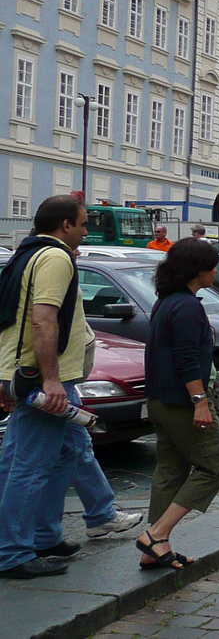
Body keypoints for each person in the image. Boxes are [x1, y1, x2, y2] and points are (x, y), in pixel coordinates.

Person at [0, 197, 95, 578]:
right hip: (42, 378)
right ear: (65, 225)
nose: (86, 231)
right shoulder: (55, 257)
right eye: (83, 224)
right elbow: (42, 320)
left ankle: (43, 536)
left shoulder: (24, 253)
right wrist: (51, 380)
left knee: (61, 453)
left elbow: (9, 319)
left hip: (21, 372)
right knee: (29, 466)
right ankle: (14, 553)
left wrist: (5, 374)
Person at [138, 237, 219, 568]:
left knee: (171, 470)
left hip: (160, 400)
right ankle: (157, 535)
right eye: (212, 265)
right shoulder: (189, 306)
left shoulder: (166, 300)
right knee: (214, 466)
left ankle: (154, 550)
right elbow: (187, 359)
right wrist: (200, 402)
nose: (216, 270)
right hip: (182, 402)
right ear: (198, 271)